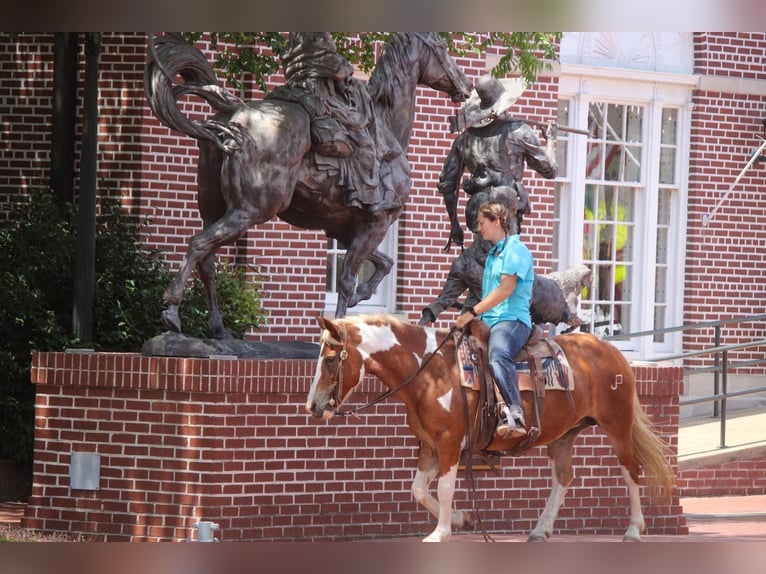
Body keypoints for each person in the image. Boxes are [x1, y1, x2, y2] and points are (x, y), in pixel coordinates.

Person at [438, 74, 557, 249]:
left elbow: (447, 185)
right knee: (506, 263)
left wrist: (454, 224)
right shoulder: (520, 132)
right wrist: (551, 141)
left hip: (478, 213)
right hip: (506, 213)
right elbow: (549, 170)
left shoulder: (465, 139)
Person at [455, 202, 534, 438]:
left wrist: (472, 312)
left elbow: (505, 290)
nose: (479, 228)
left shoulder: (515, 250)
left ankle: (515, 412)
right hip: (490, 320)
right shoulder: (493, 254)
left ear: (497, 222)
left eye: (482, 223)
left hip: (511, 320)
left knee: (499, 353)